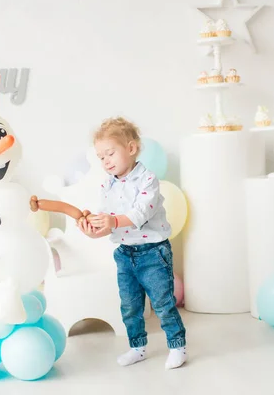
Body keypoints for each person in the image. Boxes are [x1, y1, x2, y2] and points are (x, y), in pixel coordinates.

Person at [77, 117, 187, 370]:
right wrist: (91, 229)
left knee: (162, 303)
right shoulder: (107, 185)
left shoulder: (148, 180)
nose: (105, 161)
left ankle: (177, 345)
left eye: (110, 153)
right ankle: (137, 347)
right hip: (125, 254)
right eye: (101, 157)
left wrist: (111, 222)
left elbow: (139, 214)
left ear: (131, 148)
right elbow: (108, 224)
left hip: (153, 254)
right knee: (130, 305)